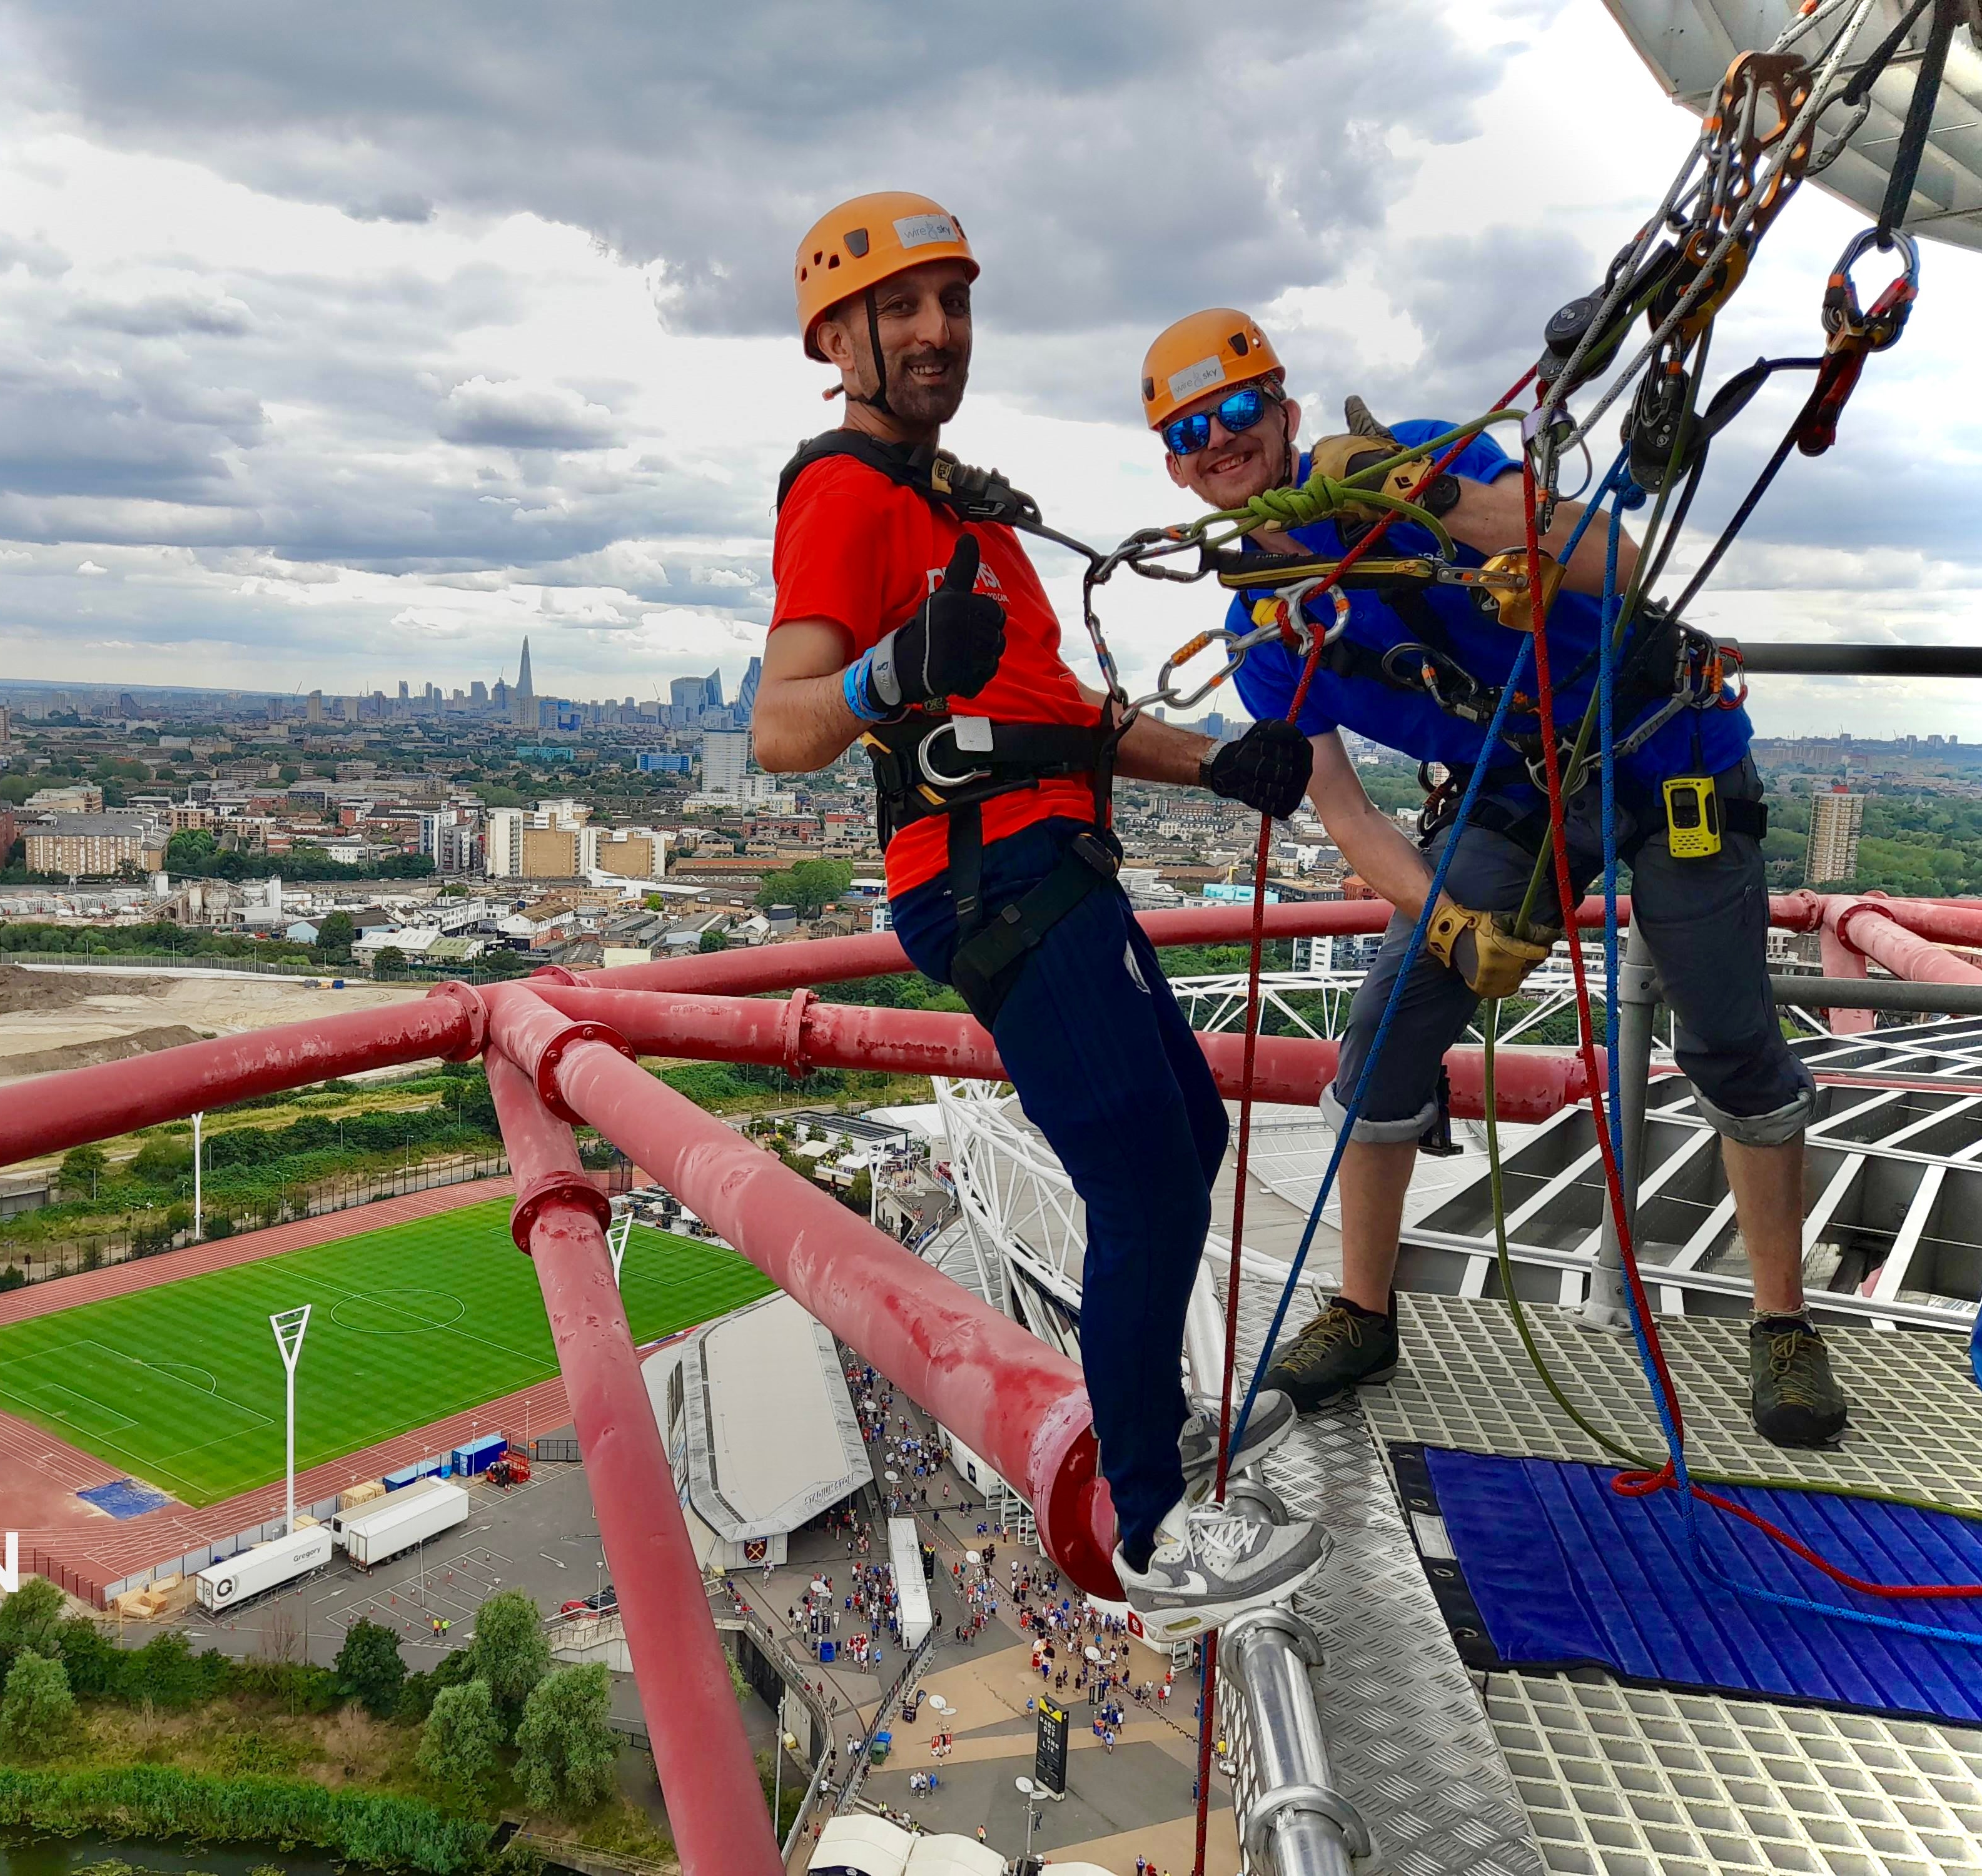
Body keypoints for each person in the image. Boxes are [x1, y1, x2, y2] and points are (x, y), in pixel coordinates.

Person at [757, 191, 1324, 1641]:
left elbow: (1058, 714)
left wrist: (1220, 762)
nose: (938, 328)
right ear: (836, 337)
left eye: (951, 300)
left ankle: (1162, 1432)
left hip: (1046, 856)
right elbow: (780, 729)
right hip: (988, 875)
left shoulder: (965, 517)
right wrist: (889, 673)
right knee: (1141, 1186)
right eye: (900, 307)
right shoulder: (843, 494)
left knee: (1186, 1142)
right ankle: (1148, 1531)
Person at [1139, 308, 1844, 1446]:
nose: (1217, 443)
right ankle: (1363, 1310)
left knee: (1726, 1033)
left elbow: (1610, 556)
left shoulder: (1423, 455)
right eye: (1189, 434)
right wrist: (1452, 919)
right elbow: (1347, 813)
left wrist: (1417, 498)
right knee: (1384, 1035)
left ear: (1286, 413)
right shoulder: (1264, 634)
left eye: (1235, 412)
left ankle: (1783, 1324)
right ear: (1173, 464)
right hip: (1524, 790)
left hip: (1670, 748)